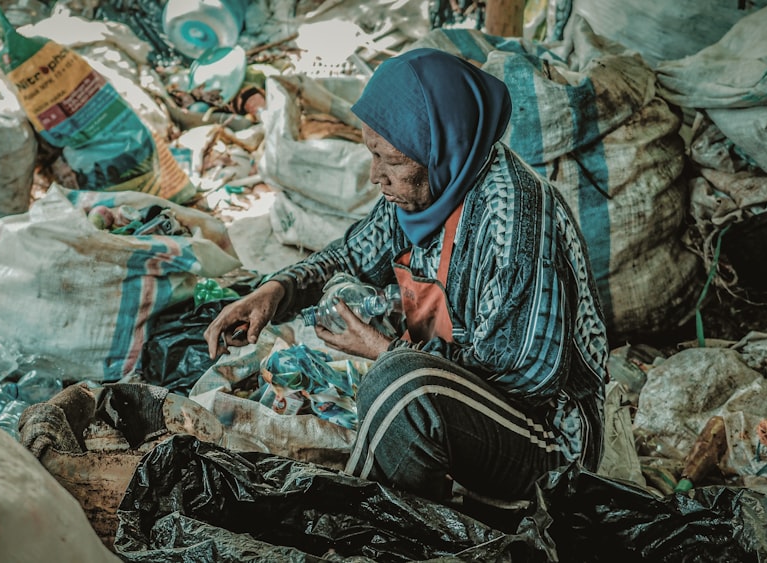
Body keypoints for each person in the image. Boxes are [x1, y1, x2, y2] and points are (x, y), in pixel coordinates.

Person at [203, 48, 609, 525]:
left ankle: (384, 533)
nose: (376, 176)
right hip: (467, 396)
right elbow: (352, 254)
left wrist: (385, 351)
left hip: (545, 441)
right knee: (343, 305)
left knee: (402, 390)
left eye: (387, 160)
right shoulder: (432, 186)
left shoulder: (515, 221)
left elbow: (524, 381)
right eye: (371, 154)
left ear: (437, 148)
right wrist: (275, 291)